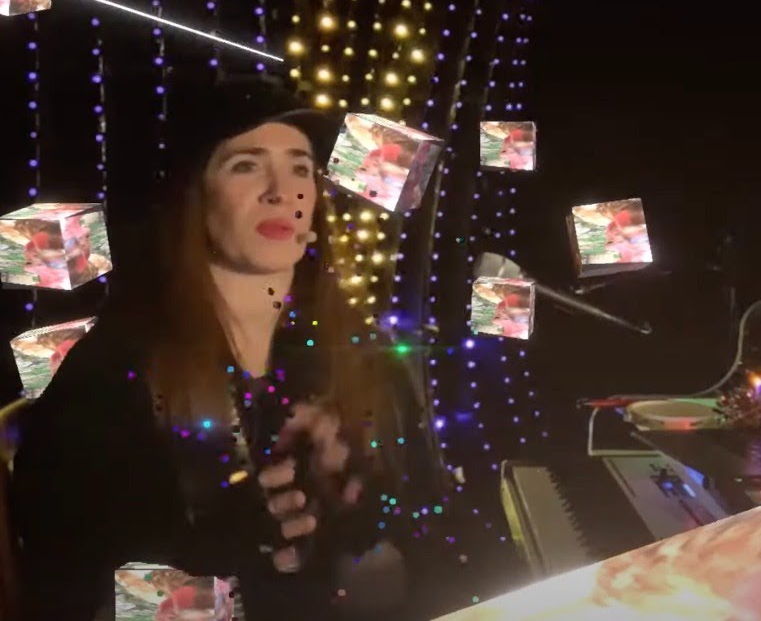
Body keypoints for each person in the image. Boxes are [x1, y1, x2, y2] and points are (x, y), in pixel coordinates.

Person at [10, 75, 449, 620]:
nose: (282, 191)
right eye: (245, 165)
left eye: (300, 168)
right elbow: (70, 596)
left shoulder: (365, 357)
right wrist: (221, 560)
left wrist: (364, 530)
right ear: (194, 198)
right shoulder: (110, 375)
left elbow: (438, 543)